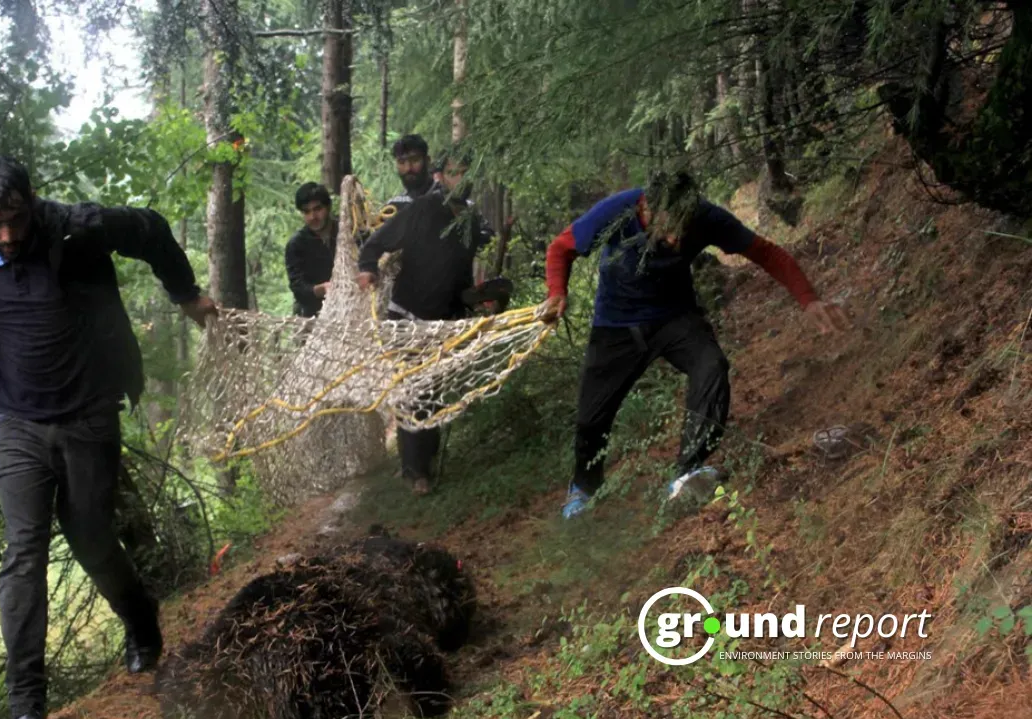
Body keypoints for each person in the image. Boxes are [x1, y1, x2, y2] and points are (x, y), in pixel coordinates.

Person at [0, 154, 218, 719]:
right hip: (18, 425)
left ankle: (140, 620)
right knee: (23, 553)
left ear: (33, 199)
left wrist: (186, 296)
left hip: (88, 416)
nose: (6, 233)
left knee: (90, 536)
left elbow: (153, 229)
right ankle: (27, 704)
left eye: (15, 218)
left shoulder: (76, 227)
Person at [540, 170, 849, 519]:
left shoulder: (706, 217)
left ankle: (688, 472)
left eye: (683, 230)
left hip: (675, 317)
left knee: (711, 366)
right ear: (647, 208)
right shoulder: (617, 211)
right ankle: (583, 489)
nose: (675, 239)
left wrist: (809, 300)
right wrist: (556, 293)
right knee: (591, 417)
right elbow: (561, 248)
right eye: (668, 227)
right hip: (616, 324)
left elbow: (765, 252)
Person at [356, 152, 493, 495]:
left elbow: (463, 271)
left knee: (432, 391)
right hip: (408, 316)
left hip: (444, 321)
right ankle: (416, 473)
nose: (459, 178)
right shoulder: (421, 210)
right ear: (439, 177)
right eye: (452, 173)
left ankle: (422, 462)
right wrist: (368, 268)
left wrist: (476, 301)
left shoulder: (472, 221)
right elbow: (377, 242)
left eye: (465, 173)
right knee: (414, 390)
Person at [285, 182, 337, 317]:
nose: (312, 217)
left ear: (328, 207)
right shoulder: (297, 244)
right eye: (306, 211)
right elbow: (297, 287)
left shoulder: (347, 232)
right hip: (312, 315)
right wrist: (320, 289)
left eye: (317, 209)